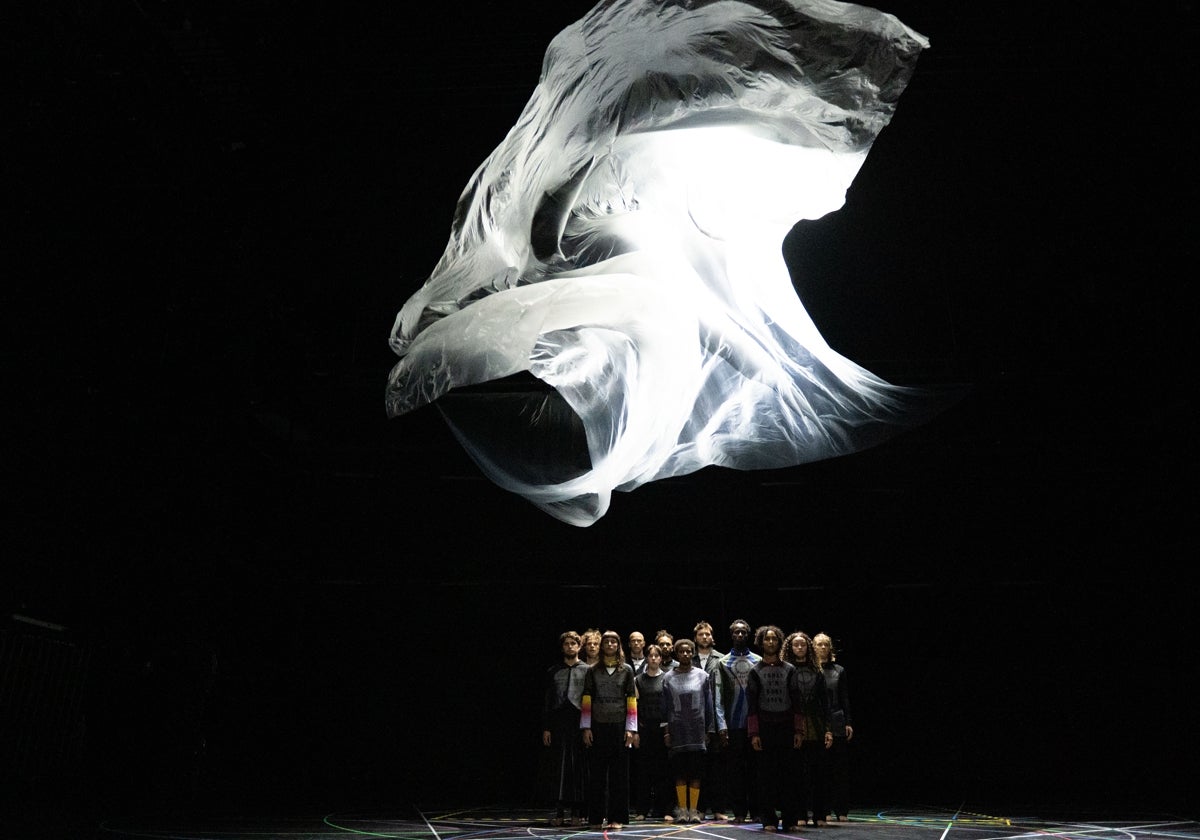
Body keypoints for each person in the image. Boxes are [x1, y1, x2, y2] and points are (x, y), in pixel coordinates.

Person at [581, 630, 638, 830]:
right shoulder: (593, 670)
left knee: (619, 776)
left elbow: (631, 699)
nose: (610, 645)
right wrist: (586, 727)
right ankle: (596, 818)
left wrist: (631, 729)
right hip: (597, 726)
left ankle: (618, 817)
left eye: (614, 641)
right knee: (597, 775)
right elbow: (586, 698)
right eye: (607, 642)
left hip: (619, 727)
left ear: (619, 645)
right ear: (602, 645)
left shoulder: (627, 670)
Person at [747, 624, 800, 833]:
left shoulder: (790, 669)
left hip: (786, 727)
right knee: (765, 777)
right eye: (767, 639)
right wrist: (754, 733)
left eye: (774, 639)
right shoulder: (755, 671)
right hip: (765, 729)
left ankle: (790, 820)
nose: (770, 642)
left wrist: (798, 731)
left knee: (789, 776)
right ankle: (768, 818)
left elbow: (797, 702)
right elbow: (751, 705)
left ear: (779, 642)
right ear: (761, 643)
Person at [783, 631, 833, 829]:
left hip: (816, 727)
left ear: (808, 647)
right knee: (797, 775)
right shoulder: (785, 670)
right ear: (790, 647)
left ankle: (819, 813)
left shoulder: (817, 671)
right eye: (796, 645)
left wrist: (828, 730)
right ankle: (799, 813)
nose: (800, 648)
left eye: (803, 645)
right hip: (793, 728)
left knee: (818, 774)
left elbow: (825, 703)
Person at [662, 638, 715, 824]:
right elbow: (665, 707)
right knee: (679, 773)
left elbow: (709, 705)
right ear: (677, 654)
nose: (685, 654)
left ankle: (694, 810)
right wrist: (666, 731)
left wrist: (709, 729)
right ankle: (682, 810)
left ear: (693, 653)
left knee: (696, 773)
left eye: (688, 651)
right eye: (682, 651)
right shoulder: (667, 677)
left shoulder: (703, 676)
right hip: (677, 731)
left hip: (697, 731)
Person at [539, 630, 590, 826]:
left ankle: (576, 812)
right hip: (559, 723)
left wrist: (587, 726)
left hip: (578, 722)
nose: (570, 646)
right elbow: (548, 701)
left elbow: (588, 701)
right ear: (562, 647)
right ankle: (559, 812)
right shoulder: (553, 671)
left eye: (573, 643)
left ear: (579, 646)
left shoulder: (586, 670)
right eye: (566, 643)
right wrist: (547, 727)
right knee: (558, 768)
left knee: (577, 768)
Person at [717, 619, 760, 823]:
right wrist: (721, 725)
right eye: (736, 632)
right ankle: (740, 812)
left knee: (756, 769)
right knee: (735, 771)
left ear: (748, 635)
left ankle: (758, 810)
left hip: (754, 725)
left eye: (743, 632)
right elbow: (718, 696)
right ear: (731, 635)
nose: (740, 635)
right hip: (733, 725)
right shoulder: (723, 662)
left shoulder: (758, 661)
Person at [813, 632, 853, 824]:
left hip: (837, 720)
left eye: (825, 645)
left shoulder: (839, 670)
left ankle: (841, 809)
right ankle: (823, 808)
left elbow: (844, 698)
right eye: (818, 644)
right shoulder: (811, 670)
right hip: (817, 724)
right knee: (821, 770)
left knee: (839, 770)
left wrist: (848, 722)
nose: (822, 648)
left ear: (830, 648)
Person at [692, 620, 728, 819]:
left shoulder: (721, 660)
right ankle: (699, 808)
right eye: (700, 635)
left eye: (707, 634)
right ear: (695, 638)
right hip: (695, 720)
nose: (704, 637)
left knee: (717, 766)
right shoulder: (689, 658)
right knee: (699, 766)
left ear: (712, 637)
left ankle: (718, 808)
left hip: (716, 718)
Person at [631, 644, 670, 821]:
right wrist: (635, 732)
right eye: (650, 655)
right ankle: (642, 810)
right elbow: (634, 708)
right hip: (644, 730)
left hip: (662, 731)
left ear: (661, 658)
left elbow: (670, 707)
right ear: (646, 658)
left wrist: (669, 730)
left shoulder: (668, 678)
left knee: (663, 771)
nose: (653, 658)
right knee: (643, 772)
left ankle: (663, 809)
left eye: (657, 655)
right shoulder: (638, 679)